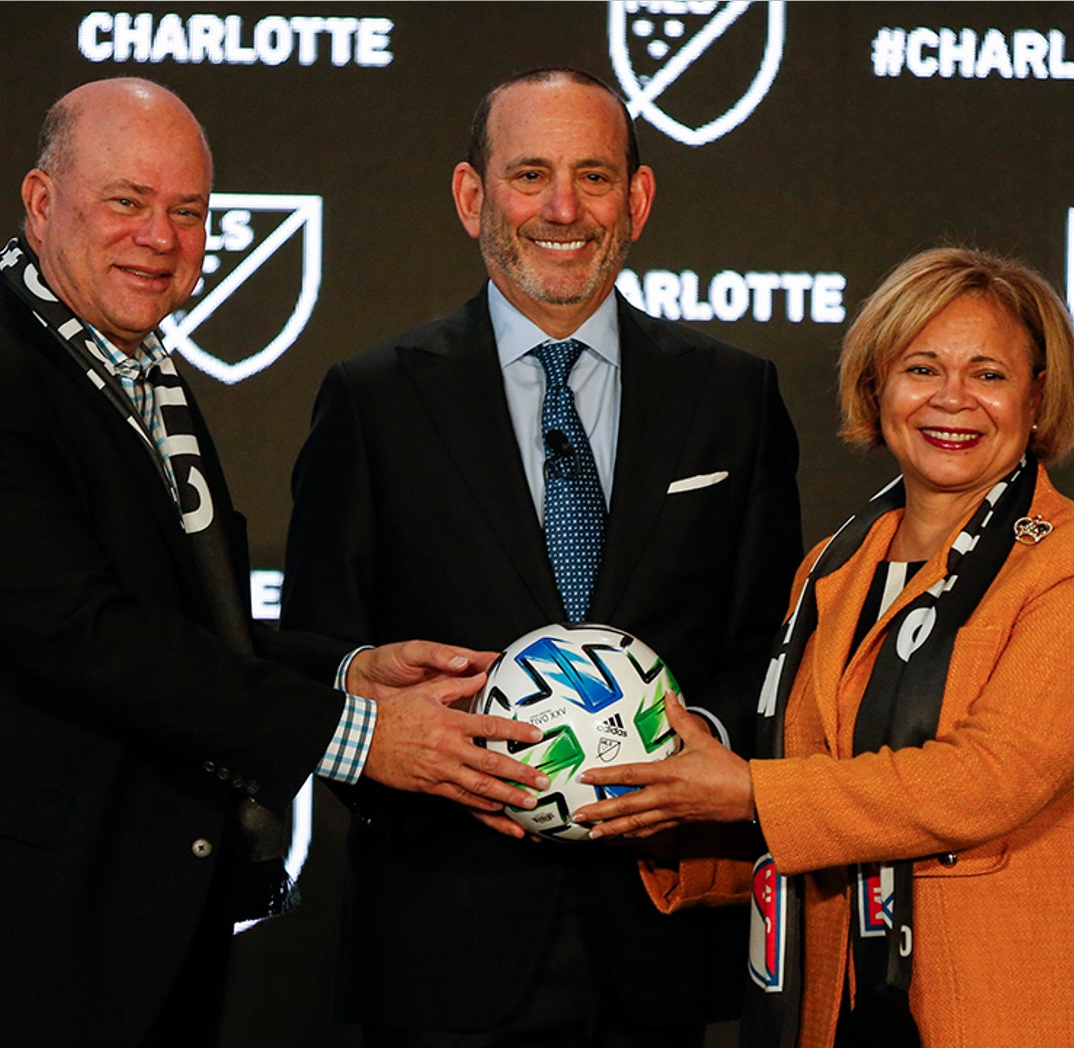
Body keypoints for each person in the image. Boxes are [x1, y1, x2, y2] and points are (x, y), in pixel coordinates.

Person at [0, 77, 548, 1048]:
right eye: (126, 201)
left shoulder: (135, 373)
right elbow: (81, 633)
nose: (160, 235)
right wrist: (353, 731)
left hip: (76, 954)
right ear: (40, 203)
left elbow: (162, 621)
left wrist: (339, 667)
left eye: (187, 211)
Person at [280, 67, 804, 1045]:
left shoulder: (732, 397)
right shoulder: (372, 400)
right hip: (438, 953)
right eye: (528, 175)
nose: (561, 209)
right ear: (472, 196)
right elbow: (309, 653)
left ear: (636, 201)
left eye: (593, 177)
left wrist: (685, 733)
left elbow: (773, 651)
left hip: (654, 949)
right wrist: (385, 716)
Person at [577, 247, 1074, 1046]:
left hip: (1024, 1002)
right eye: (921, 368)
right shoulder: (832, 567)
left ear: (1038, 397)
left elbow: (986, 782)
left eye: (988, 374)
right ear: (876, 387)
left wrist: (747, 792)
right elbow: (815, 795)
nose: (951, 400)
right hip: (838, 1008)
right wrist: (659, 808)